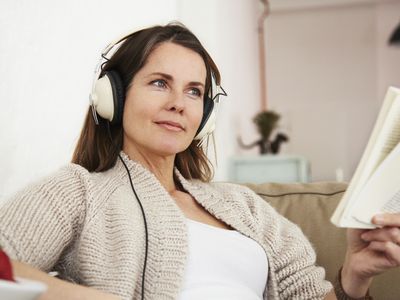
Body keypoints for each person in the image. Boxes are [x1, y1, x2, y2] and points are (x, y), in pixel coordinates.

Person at [0, 22, 399, 300]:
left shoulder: (245, 208)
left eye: (194, 92)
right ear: (113, 96)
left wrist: (354, 277)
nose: (177, 103)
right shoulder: (78, 191)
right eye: (159, 83)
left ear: (204, 115)